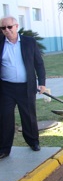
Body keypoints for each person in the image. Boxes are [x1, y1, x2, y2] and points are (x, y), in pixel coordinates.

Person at [0, 16, 46, 159]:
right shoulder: (1, 43)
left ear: (16, 26)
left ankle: (33, 142)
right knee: (5, 118)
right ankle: (4, 149)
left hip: (26, 87)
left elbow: (39, 63)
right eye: (3, 28)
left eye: (9, 27)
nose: (6, 30)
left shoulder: (29, 42)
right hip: (6, 88)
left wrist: (42, 83)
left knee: (28, 116)